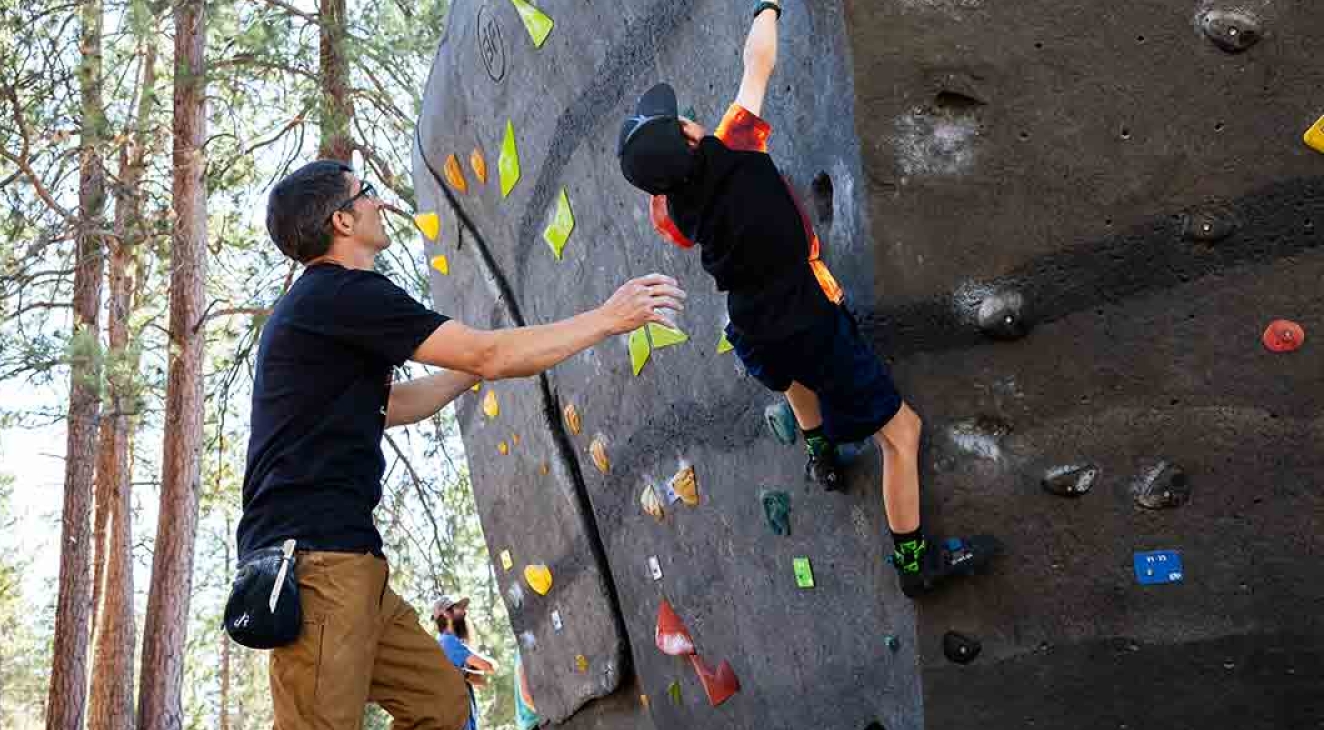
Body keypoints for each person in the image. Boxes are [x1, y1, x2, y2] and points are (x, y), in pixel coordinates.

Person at [237, 159, 686, 729]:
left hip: (351, 563)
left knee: (440, 706)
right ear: (341, 221)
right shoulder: (340, 295)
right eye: (365, 193)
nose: (379, 202)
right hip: (315, 563)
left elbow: (396, 405)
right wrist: (606, 318)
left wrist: (474, 368)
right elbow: (487, 352)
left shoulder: (327, 310)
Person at [615, 1, 993, 597]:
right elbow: (757, 63)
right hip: (806, 313)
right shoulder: (734, 145)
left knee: (792, 379)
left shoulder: (673, 211)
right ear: (691, 138)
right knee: (901, 433)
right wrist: (768, 5)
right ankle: (915, 563)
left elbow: (667, 198)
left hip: (750, 327)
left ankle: (821, 453)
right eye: (682, 122)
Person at [433, 596, 495, 730]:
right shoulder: (447, 642)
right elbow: (489, 667)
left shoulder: (450, 644)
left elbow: (482, 681)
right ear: (446, 614)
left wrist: (464, 674)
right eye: (458, 609)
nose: (464, 612)